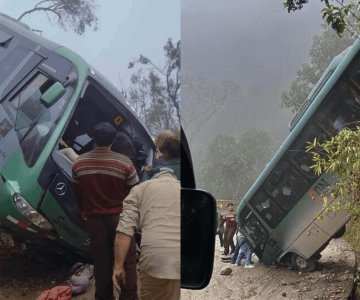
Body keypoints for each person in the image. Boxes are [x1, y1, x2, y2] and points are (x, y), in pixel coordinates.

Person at [72, 122, 139, 300]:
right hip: (120, 220)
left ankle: (104, 297)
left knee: (101, 264)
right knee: (127, 262)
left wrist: (84, 211)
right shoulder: (125, 163)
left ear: (94, 138)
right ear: (113, 140)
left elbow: (78, 193)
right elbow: (134, 193)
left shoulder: (79, 163)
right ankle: (129, 296)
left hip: (94, 221)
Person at [113, 167, 180, 300]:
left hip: (154, 259)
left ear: (153, 177)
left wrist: (118, 266)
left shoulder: (140, 189)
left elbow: (125, 229)